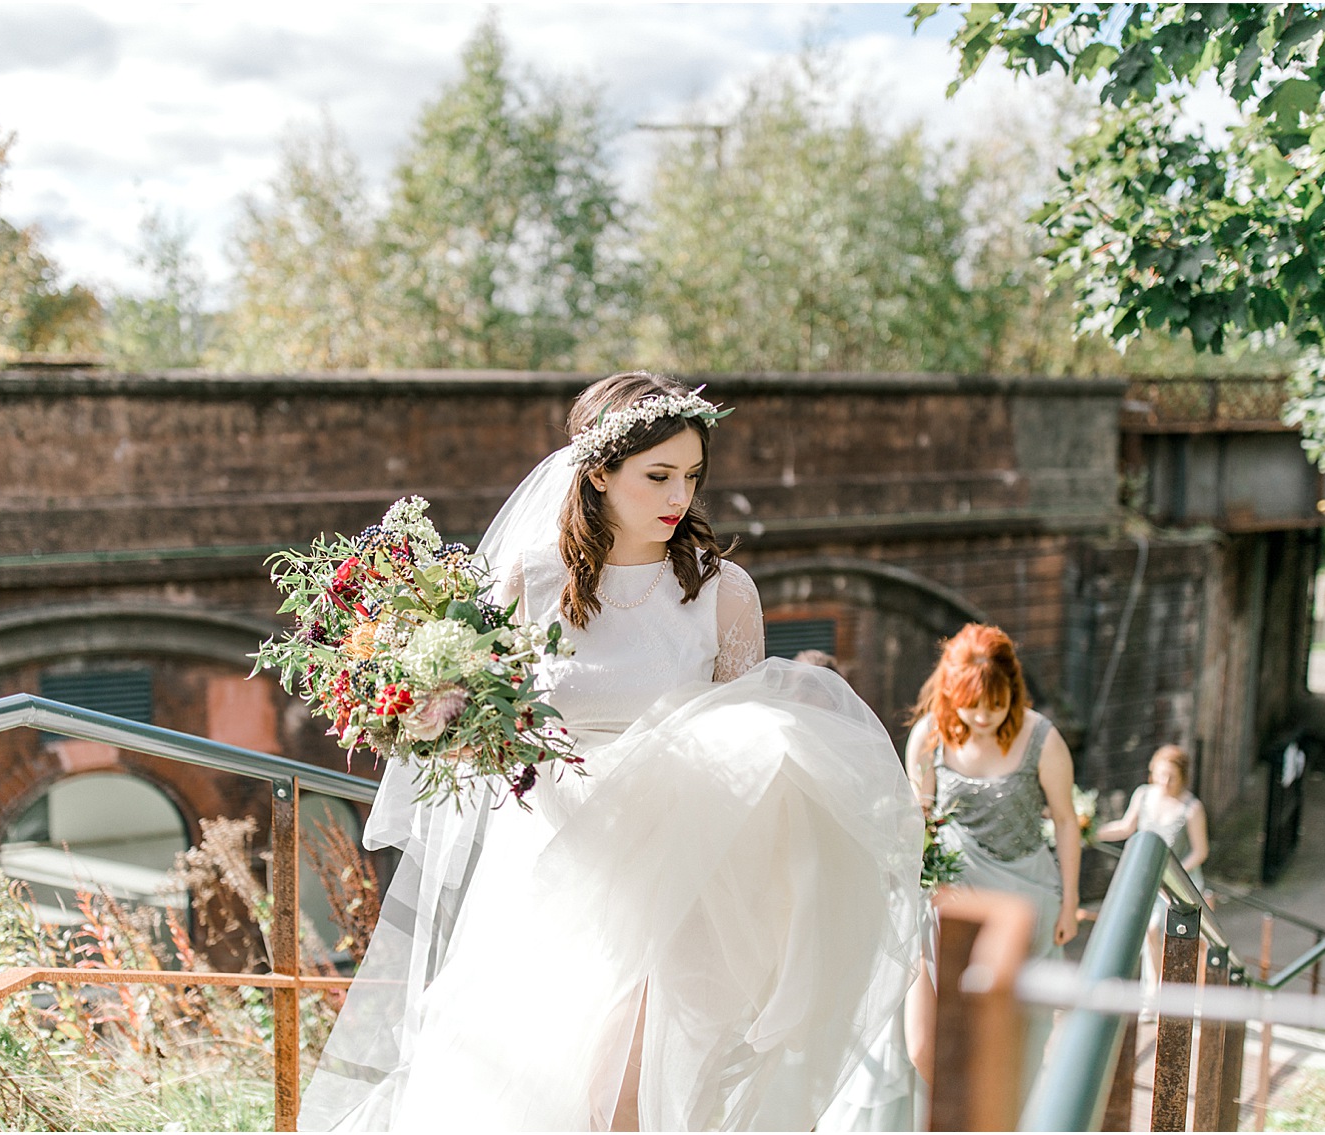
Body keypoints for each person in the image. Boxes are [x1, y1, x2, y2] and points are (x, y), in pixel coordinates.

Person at [298, 372, 923, 1132]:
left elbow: (748, 738)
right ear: (597, 472)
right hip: (551, 861)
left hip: (676, 874)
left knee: (623, 1095)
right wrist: (438, 715)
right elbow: (483, 732)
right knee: (533, 1086)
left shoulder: (723, 591)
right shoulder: (528, 582)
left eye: (691, 476)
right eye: (658, 475)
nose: (678, 497)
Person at [899, 624, 1080, 1087]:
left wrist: (1069, 902)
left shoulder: (1043, 738)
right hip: (955, 903)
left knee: (1021, 1037)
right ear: (950, 692)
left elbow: (1063, 820)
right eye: (971, 704)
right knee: (946, 1036)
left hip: (1028, 899)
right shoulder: (928, 738)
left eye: (996, 705)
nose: (983, 717)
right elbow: (918, 824)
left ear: (1012, 692)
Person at [1095, 745, 1209, 994]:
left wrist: (1169, 875)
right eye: (1160, 775)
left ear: (1183, 777)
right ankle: (1151, 993)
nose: (1165, 782)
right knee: (1147, 931)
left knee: (1159, 928)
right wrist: (1090, 833)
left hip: (1180, 882)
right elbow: (1126, 827)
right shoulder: (1143, 795)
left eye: (1172, 777)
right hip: (1149, 879)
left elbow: (1200, 852)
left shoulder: (1192, 808)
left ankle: (1169, 992)